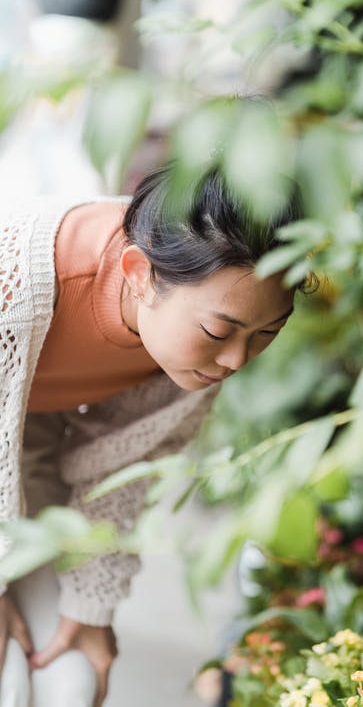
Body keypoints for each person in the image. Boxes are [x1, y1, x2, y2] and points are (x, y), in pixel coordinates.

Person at [0, 163, 302, 706]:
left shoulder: (201, 352)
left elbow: (118, 470)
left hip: (26, 453)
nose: (236, 359)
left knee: (69, 682)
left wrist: (89, 607)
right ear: (138, 272)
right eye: (218, 331)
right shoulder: (16, 274)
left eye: (267, 334)